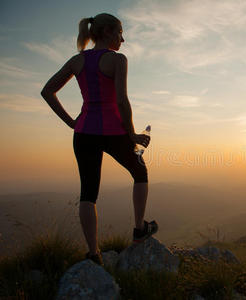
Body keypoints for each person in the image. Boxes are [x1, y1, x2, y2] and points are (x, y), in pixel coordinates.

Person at [40, 13, 158, 265]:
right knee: (140, 172)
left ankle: (94, 254)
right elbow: (121, 101)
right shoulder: (117, 60)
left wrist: (72, 122)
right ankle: (139, 230)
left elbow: (47, 91)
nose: (122, 39)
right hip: (114, 132)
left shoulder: (77, 61)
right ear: (106, 32)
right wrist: (133, 134)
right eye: (119, 33)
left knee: (88, 193)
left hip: (84, 133)